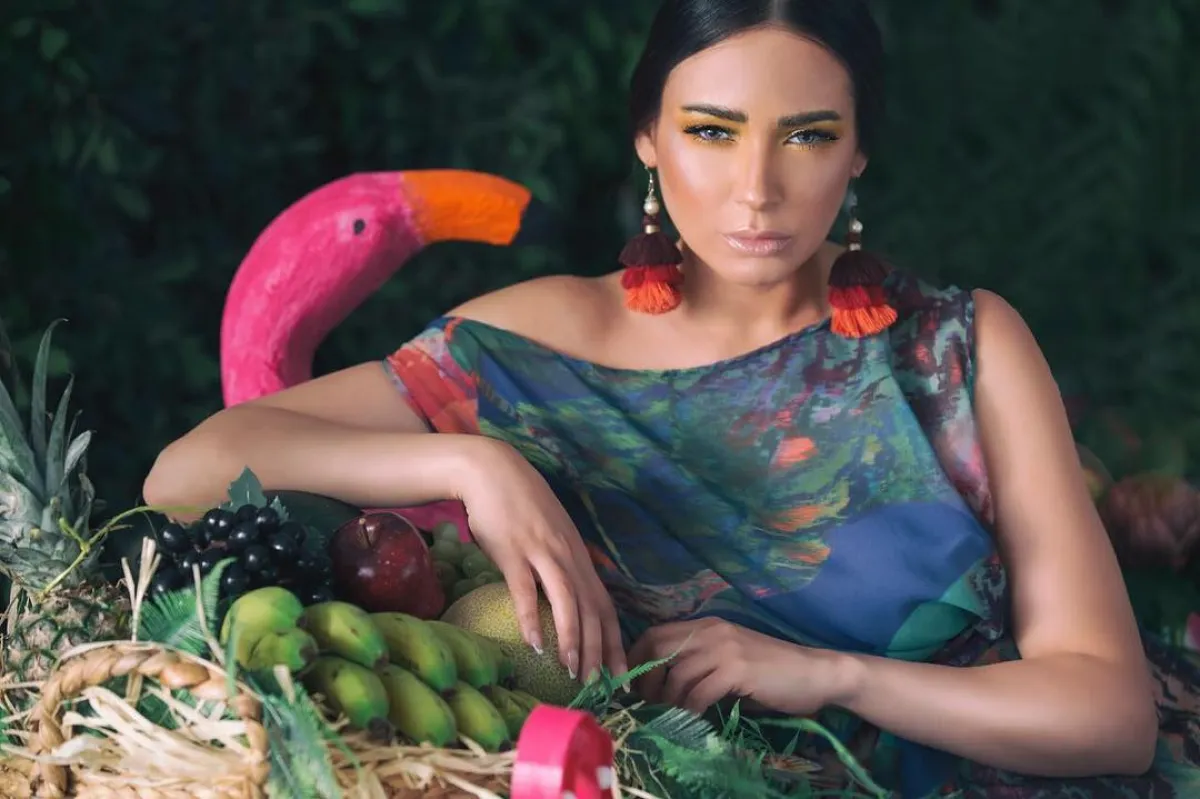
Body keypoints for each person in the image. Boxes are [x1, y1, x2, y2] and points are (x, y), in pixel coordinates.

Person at [143, 1, 1200, 796]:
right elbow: (187, 470)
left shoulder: (957, 347)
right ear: (649, 137)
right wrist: (469, 459)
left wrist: (827, 674)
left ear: (859, 152)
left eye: (807, 134)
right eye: (712, 131)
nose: (757, 189)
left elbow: (1106, 715)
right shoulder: (536, 347)